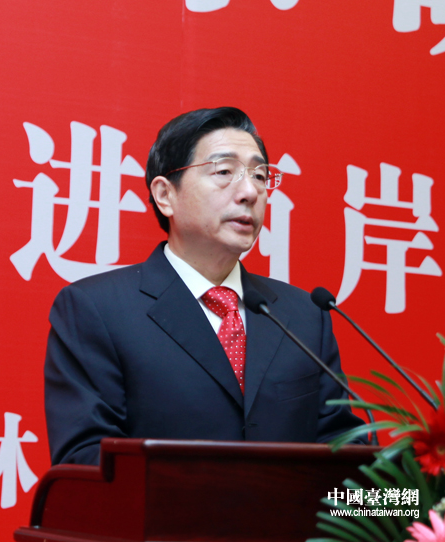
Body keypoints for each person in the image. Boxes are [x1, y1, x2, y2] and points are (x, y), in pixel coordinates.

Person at [45, 106, 366, 466]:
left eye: (260, 175)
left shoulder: (304, 316)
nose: (249, 191)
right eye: (224, 172)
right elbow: (87, 459)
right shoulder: (97, 309)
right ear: (165, 195)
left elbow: (343, 446)